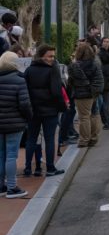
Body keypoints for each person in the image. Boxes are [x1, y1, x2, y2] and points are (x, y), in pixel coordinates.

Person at [23, 44, 66, 176]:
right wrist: (62, 107)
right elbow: (56, 92)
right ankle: (50, 167)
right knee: (49, 139)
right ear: (42, 56)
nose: (52, 59)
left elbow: (25, 91)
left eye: (53, 56)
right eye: (49, 56)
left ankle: (28, 168)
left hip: (34, 110)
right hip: (50, 110)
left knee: (31, 138)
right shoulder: (52, 70)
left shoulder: (29, 70)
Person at [0, 51, 33, 198]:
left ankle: (1, 186)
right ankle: (12, 188)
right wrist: (28, 118)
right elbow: (25, 104)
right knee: (11, 155)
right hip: (15, 122)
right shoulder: (19, 80)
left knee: (1, 155)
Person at [69, 42, 104, 147]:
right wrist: (94, 91)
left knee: (84, 117)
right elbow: (99, 79)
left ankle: (84, 139)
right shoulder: (95, 64)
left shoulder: (76, 65)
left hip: (82, 95)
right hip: (93, 93)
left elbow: (71, 81)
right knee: (94, 114)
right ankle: (94, 137)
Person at [98, 37, 109, 130]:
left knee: (106, 103)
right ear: (101, 43)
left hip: (108, 82)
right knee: (106, 103)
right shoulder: (103, 55)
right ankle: (108, 122)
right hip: (106, 82)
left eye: (108, 41)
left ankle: (107, 122)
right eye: (104, 41)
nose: (106, 43)